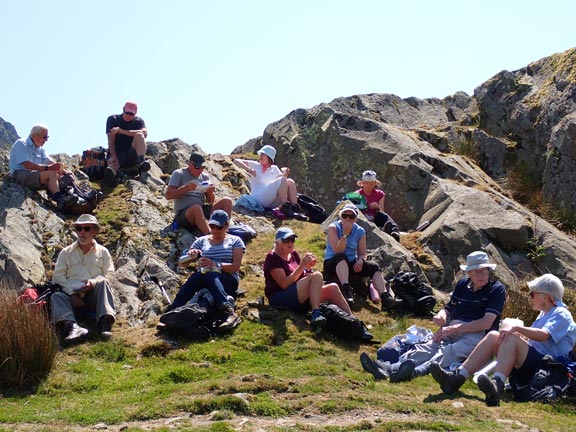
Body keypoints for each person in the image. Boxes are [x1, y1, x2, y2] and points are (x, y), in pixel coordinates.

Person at [430, 273, 576, 407]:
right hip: (535, 361)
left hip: (547, 366)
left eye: (532, 294)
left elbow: (544, 335)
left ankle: (497, 384)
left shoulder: (561, 314)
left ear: (546, 296)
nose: (530, 297)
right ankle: (457, 377)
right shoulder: (545, 314)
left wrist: (516, 330)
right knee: (495, 335)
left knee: (511, 337)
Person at [360, 251, 506, 383]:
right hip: (452, 327)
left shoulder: (496, 289)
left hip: (477, 334)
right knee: (428, 346)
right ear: (469, 273)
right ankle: (390, 367)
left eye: (484, 271)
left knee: (449, 352)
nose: (481, 275)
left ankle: (412, 372)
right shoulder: (463, 285)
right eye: (476, 272)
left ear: (489, 270)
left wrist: (455, 328)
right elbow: (449, 308)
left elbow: (487, 323)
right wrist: (441, 316)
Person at [264, 226, 361, 330]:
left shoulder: (293, 254)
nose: (290, 243)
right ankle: (316, 313)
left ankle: (355, 323)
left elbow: (302, 278)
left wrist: (308, 268)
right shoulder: (272, 257)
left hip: (297, 295)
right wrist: (302, 266)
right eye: (286, 240)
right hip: (279, 298)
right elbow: (284, 284)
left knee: (333, 288)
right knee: (317, 275)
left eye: (292, 239)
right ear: (277, 242)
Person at [167, 210, 244, 329]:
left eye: (218, 227)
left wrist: (215, 264)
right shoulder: (201, 241)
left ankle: (228, 311)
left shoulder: (235, 241)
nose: (214, 230)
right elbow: (182, 264)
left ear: (226, 226)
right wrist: (192, 255)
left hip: (227, 278)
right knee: (196, 276)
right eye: (212, 226)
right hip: (205, 276)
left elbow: (236, 266)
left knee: (210, 274)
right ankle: (172, 310)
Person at [50, 214, 116, 342]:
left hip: (93, 297)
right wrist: (72, 294)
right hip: (71, 299)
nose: (82, 232)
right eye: (79, 228)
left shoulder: (103, 252)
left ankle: (105, 323)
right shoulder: (66, 252)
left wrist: (92, 283)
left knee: (103, 282)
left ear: (95, 232)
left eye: (87, 228)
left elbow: (110, 275)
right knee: (56, 296)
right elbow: (58, 277)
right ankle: (71, 327)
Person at [323, 203, 400, 309]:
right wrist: (345, 235)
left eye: (351, 217)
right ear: (341, 216)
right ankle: (346, 289)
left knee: (373, 266)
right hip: (333, 262)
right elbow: (337, 250)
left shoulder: (360, 231)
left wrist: (360, 261)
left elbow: (362, 253)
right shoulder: (334, 227)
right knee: (341, 256)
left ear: (355, 219)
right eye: (345, 216)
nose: (347, 219)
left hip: (350, 263)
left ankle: (385, 297)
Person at [9, 124, 78, 209]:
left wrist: (62, 170)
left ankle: (70, 198)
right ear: (34, 135)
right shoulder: (21, 144)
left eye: (47, 137)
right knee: (51, 174)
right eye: (44, 137)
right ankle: (59, 198)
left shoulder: (40, 149)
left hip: (33, 175)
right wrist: (48, 168)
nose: (46, 140)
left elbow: (49, 162)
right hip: (19, 174)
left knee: (58, 176)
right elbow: (27, 165)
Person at [166, 153, 233, 234]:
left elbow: (211, 201)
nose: (200, 170)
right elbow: (168, 195)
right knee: (196, 208)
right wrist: (186, 188)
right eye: (197, 167)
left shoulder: (205, 177)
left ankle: (224, 232)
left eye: (203, 167)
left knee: (227, 201)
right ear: (190, 163)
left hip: (201, 211)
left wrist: (210, 192)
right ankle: (211, 236)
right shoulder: (179, 173)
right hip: (184, 215)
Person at [233, 145, 300, 214]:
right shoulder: (256, 165)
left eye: (263, 154)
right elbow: (236, 161)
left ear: (269, 157)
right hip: (259, 198)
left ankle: (294, 207)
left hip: (271, 200)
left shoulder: (275, 168)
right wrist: (249, 169)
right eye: (261, 154)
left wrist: (285, 173)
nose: (260, 156)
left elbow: (282, 182)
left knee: (290, 181)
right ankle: (285, 206)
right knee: (283, 179)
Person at [104, 100, 150, 183]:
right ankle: (111, 176)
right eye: (127, 112)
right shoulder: (113, 119)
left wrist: (122, 131)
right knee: (113, 164)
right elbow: (111, 139)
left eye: (131, 114)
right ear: (123, 109)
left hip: (132, 153)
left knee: (139, 135)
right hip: (118, 153)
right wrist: (113, 156)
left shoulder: (138, 121)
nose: (129, 115)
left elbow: (144, 133)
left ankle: (141, 162)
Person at [355, 170, 401, 241]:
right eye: (366, 183)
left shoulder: (380, 194)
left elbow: (382, 210)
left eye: (371, 183)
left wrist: (377, 207)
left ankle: (394, 232)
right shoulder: (356, 194)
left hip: (375, 218)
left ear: (374, 184)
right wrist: (368, 206)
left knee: (383, 215)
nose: (368, 186)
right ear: (363, 183)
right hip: (362, 219)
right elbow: (355, 209)